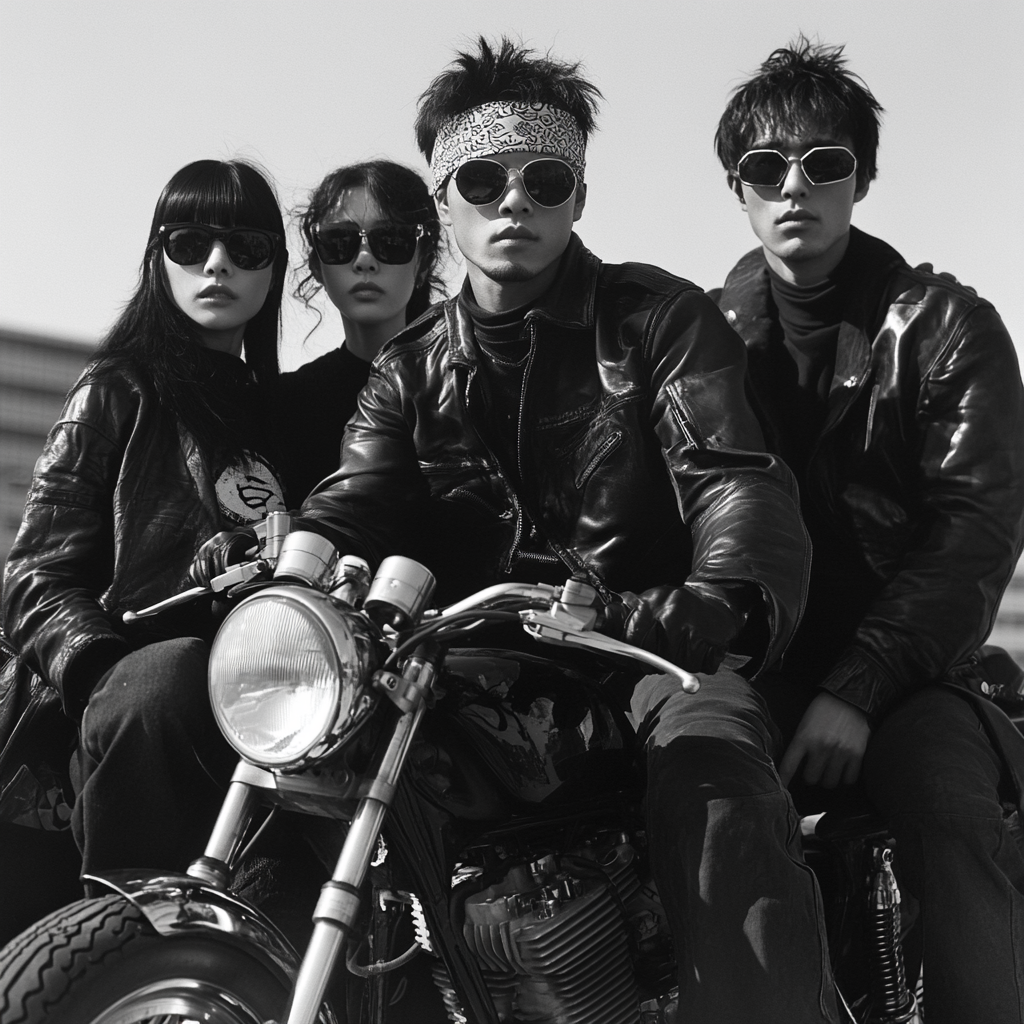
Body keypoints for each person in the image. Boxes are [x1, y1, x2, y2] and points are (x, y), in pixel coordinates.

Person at [197, 37, 839, 1022]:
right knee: (330, 765)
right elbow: (353, 494)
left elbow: (730, 475)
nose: (514, 203)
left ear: (577, 198)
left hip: (646, 650)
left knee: (712, 784)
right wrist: (290, 573)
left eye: (545, 181)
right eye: (483, 179)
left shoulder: (655, 321)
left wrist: (722, 599)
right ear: (444, 200)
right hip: (477, 665)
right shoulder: (410, 367)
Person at [713, 38, 1024, 1022]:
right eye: (766, 168)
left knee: (950, 813)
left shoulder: (945, 327)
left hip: (908, 675)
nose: (793, 186)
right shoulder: (702, 338)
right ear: (738, 187)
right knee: (685, 785)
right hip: (761, 665)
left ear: (860, 177)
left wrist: (857, 688)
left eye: (822, 162)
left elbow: (973, 536)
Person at [0, 159, 289, 901]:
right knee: (168, 673)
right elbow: (32, 578)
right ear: (157, 258)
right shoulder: (117, 387)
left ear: (274, 268)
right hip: (121, 714)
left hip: (263, 711)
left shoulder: (288, 416)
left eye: (246, 248)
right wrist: (107, 672)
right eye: (189, 243)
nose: (217, 264)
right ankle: (135, 944)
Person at [276, 160, 446, 501]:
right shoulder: (284, 405)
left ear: (423, 261)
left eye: (391, 239)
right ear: (317, 267)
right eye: (340, 241)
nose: (364, 260)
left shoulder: (462, 386)